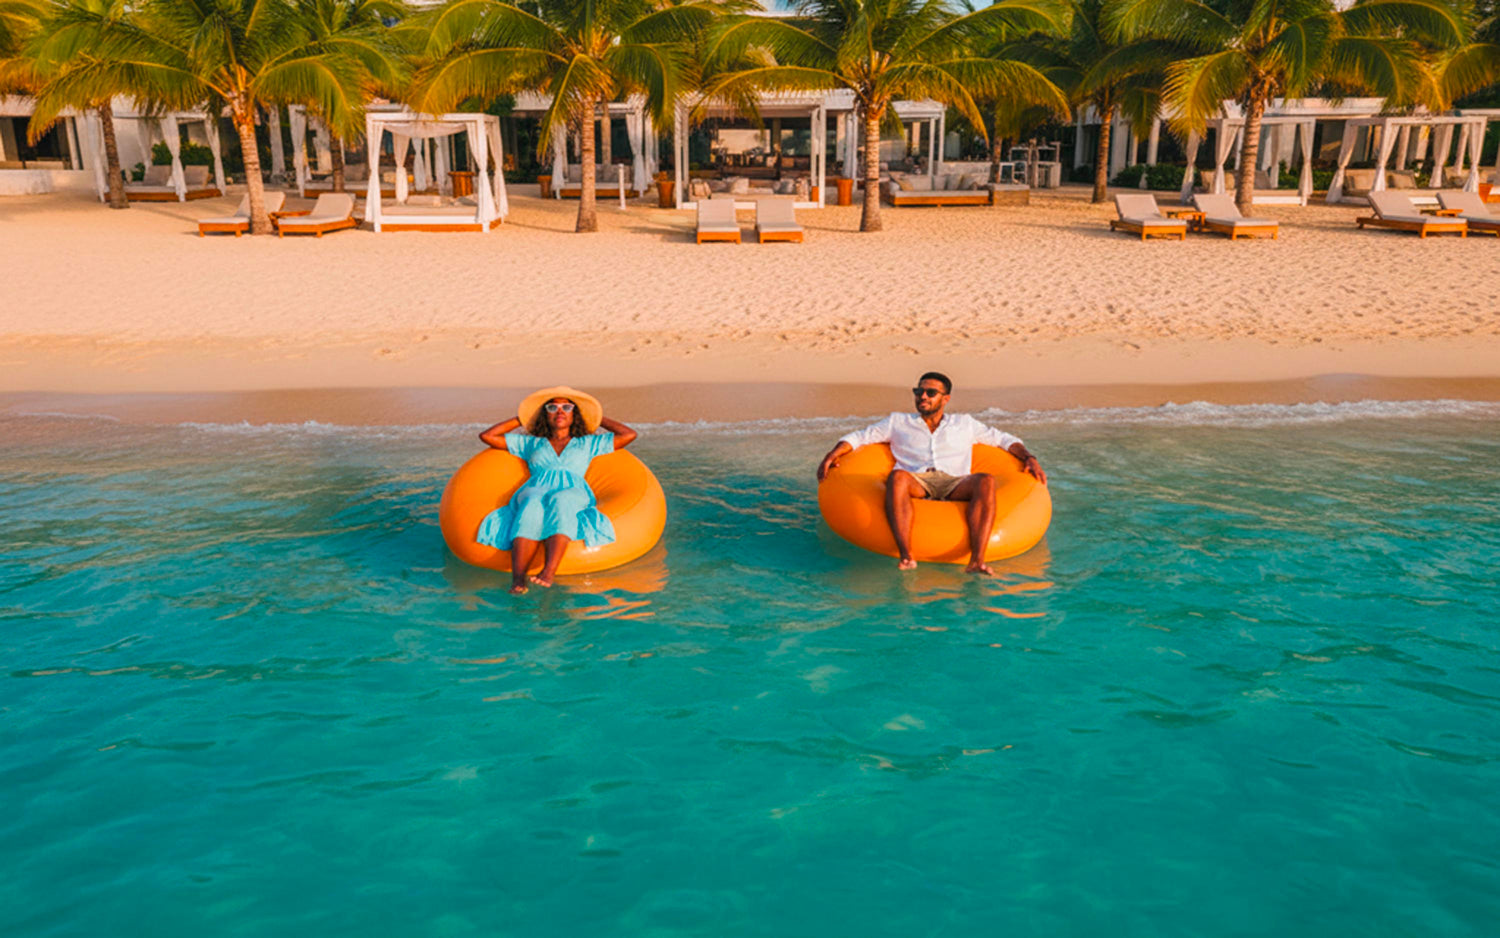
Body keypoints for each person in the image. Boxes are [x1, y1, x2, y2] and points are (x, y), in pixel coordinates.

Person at [816, 372, 1046, 575]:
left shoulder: (964, 423)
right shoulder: (898, 421)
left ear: (946, 399)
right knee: (897, 477)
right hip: (918, 480)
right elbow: (860, 437)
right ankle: (906, 555)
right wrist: (832, 454)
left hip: (955, 481)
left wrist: (1029, 458)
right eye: (919, 391)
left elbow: (1004, 440)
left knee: (985, 480)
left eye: (930, 392)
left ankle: (977, 561)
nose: (922, 396)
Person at [475, 386, 637, 594]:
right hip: (537, 487)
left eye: (567, 407)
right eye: (552, 407)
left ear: (574, 414)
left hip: (573, 489)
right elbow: (487, 436)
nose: (560, 411)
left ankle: (548, 571)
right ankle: (518, 579)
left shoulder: (587, 443)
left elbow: (629, 434)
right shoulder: (532, 443)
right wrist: (522, 418)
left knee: (563, 499)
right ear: (545, 415)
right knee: (532, 501)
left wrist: (596, 418)